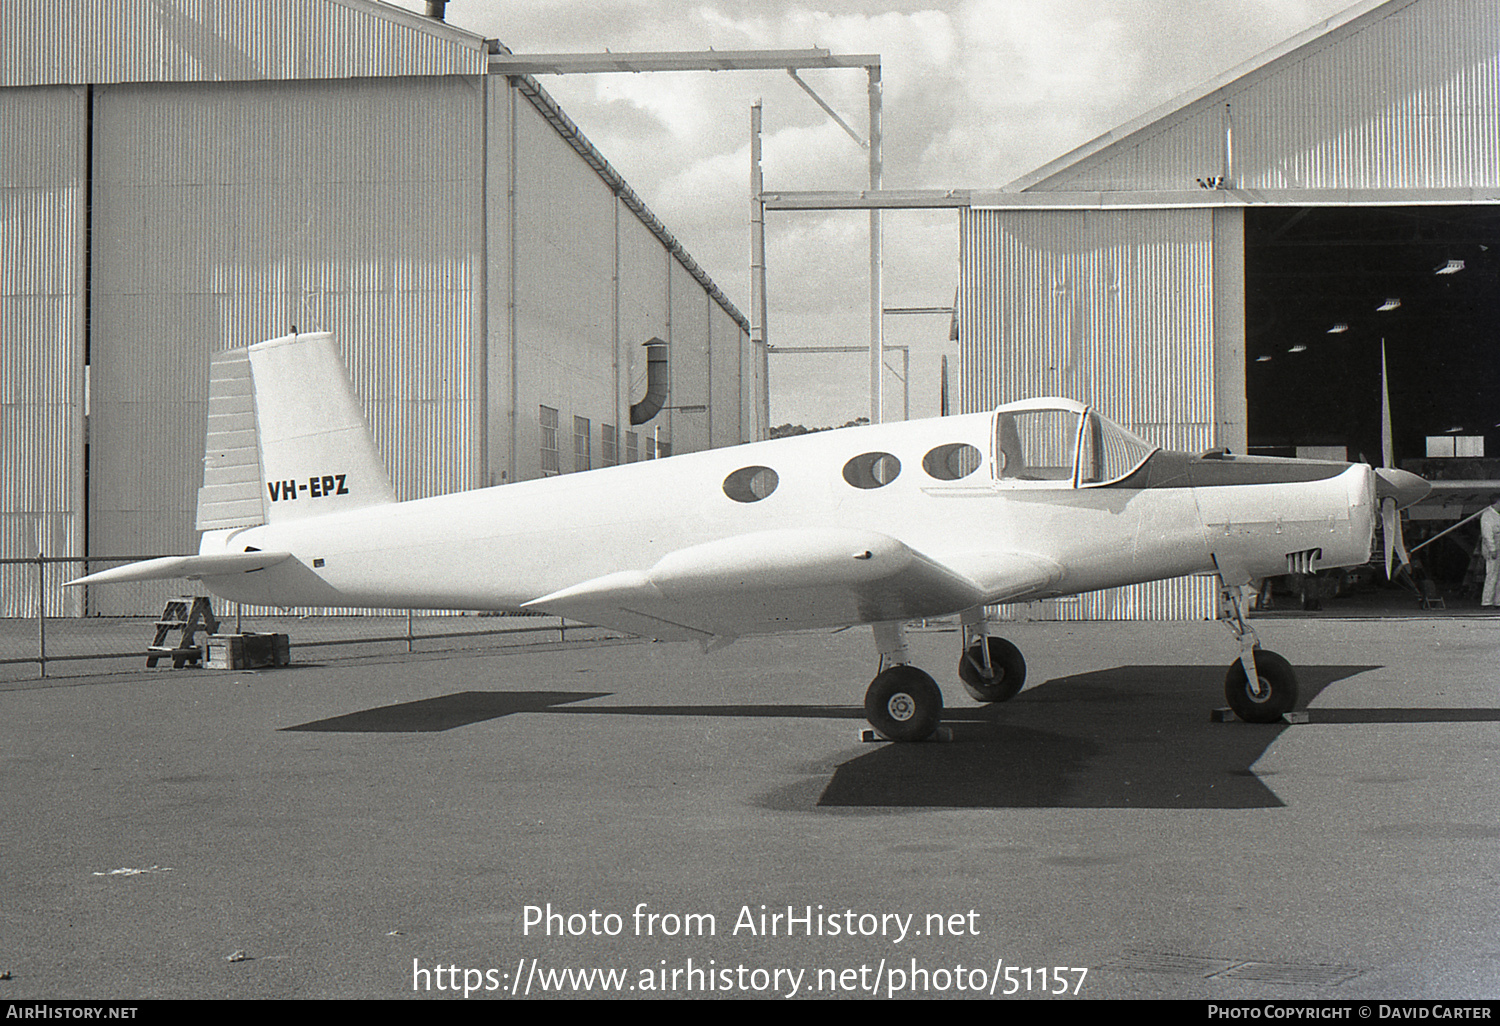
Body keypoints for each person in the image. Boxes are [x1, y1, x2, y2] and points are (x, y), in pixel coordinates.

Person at [1480, 494, 1500, 607]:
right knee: (1492, 575)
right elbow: (1487, 535)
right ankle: (1487, 601)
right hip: (1494, 548)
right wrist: (1492, 549)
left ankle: (1497, 601)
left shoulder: (1497, 516)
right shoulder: (1487, 516)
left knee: (1499, 577)